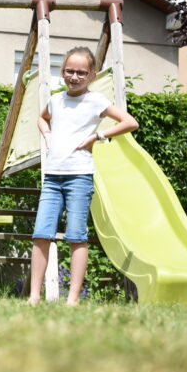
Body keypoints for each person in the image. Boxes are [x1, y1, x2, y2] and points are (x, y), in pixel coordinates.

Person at [28, 46, 138, 305]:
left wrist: (97, 136)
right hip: (53, 178)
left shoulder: (96, 101)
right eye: (69, 71)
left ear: (92, 75)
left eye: (81, 72)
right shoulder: (56, 100)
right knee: (41, 233)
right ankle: (34, 296)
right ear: (62, 71)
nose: (74, 76)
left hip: (79, 177)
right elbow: (42, 118)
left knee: (76, 236)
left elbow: (130, 122)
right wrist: (47, 134)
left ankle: (73, 299)